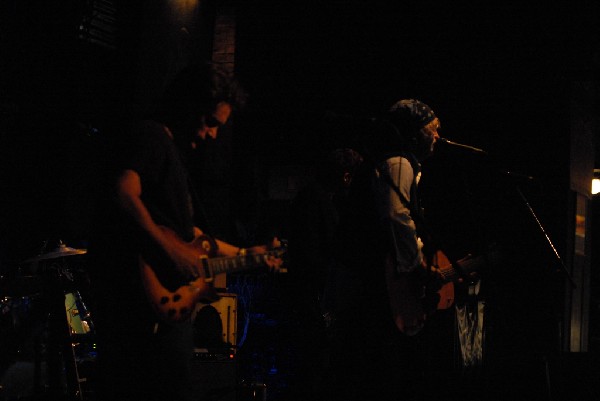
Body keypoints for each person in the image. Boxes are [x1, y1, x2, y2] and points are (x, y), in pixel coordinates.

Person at [87, 63, 280, 401]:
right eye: (210, 122)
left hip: (161, 317)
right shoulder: (152, 137)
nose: (213, 134)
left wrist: (253, 256)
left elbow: (195, 238)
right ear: (189, 105)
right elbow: (123, 193)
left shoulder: (171, 154)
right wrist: (170, 252)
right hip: (145, 318)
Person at [327, 99, 443, 401]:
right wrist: (415, 265)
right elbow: (395, 216)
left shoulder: (396, 163)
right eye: (433, 130)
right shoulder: (399, 163)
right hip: (372, 288)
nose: (438, 138)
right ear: (415, 133)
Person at [285, 148, 363, 400]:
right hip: (312, 298)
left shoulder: (315, 198)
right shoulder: (316, 201)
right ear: (346, 176)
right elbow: (312, 255)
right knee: (314, 366)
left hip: (312, 296)